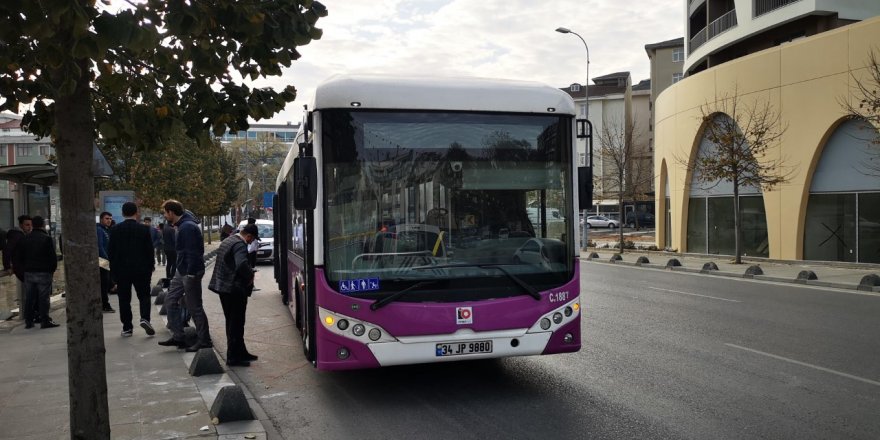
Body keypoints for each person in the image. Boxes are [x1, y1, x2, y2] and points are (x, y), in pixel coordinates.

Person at [158, 199, 212, 351]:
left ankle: (204, 340)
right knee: (170, 299)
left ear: (171, 212)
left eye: (165, 213)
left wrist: (191, 273)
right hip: (181, 270)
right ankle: (178, 336)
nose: (164, 216)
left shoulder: (187, 227)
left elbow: (193, 252)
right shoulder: (182, 224)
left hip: (190, 271)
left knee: (194, 306)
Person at [208, 224, 259, 366]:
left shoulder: (228, 240)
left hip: (224, 288)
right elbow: (241, 264)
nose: (250, 242)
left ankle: (241, 351)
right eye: (252, 239)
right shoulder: (239, 245)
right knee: (236, 322)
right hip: (234, 289)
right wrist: (250, 276)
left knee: (232, 321)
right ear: (248, 236)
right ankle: (234, 357)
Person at [108, 202, 156, 337]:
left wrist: (113, 272)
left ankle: (127, 327)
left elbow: (111, 252)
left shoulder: (115, 230)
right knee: (144, 296)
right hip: (141, 270)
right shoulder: (144, 229)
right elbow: (149, 250)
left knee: (124, 299)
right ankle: (145, 318)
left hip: (122, 270)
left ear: (123, 214)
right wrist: (150, 266)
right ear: (137, 213)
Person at [12, 216, 59, 329]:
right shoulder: (47, 239)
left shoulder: (25, 239)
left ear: (33, 225)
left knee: (30, 297)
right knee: (44, 298)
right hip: (43, 272)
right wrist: (51, 270)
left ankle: (29, 321)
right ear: (43, 225)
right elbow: (52, 258)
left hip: (29, 272)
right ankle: (45, 320)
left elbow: (19, 257)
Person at [96, 212, 115, 313]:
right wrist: (106, 259)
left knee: (106, 283)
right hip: (102, 261)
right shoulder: (99, 230)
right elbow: (100, 246)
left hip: (105, 260)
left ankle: (105, 304)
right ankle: (105, 305)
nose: (109, 220)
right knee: (104, 283)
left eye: (110, 219)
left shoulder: (105, 230)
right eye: (107, 218)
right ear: (101, 219)